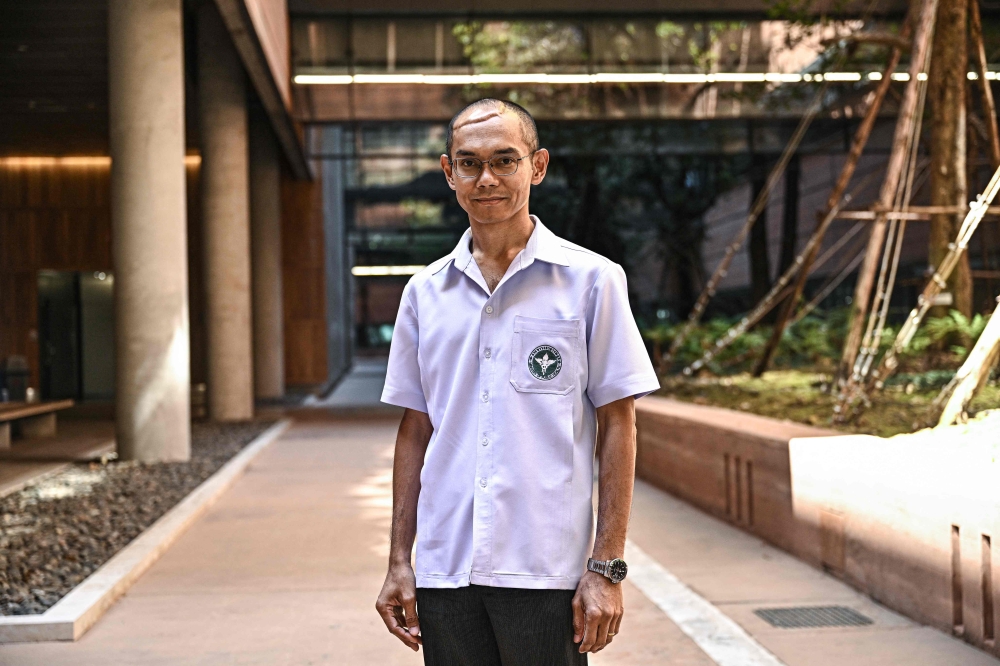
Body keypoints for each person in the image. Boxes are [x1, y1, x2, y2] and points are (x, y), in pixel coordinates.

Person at [375, 98, 659, 665]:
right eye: (470, 163)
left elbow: (618, 424)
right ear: (448, 172)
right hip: (445, 569)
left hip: (545, 569)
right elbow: (415, 431)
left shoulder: (592, 281)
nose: (487, 179)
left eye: (505, 160)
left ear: (538, 166)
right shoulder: (423, 294)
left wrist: (606, 566)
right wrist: (400, 559)